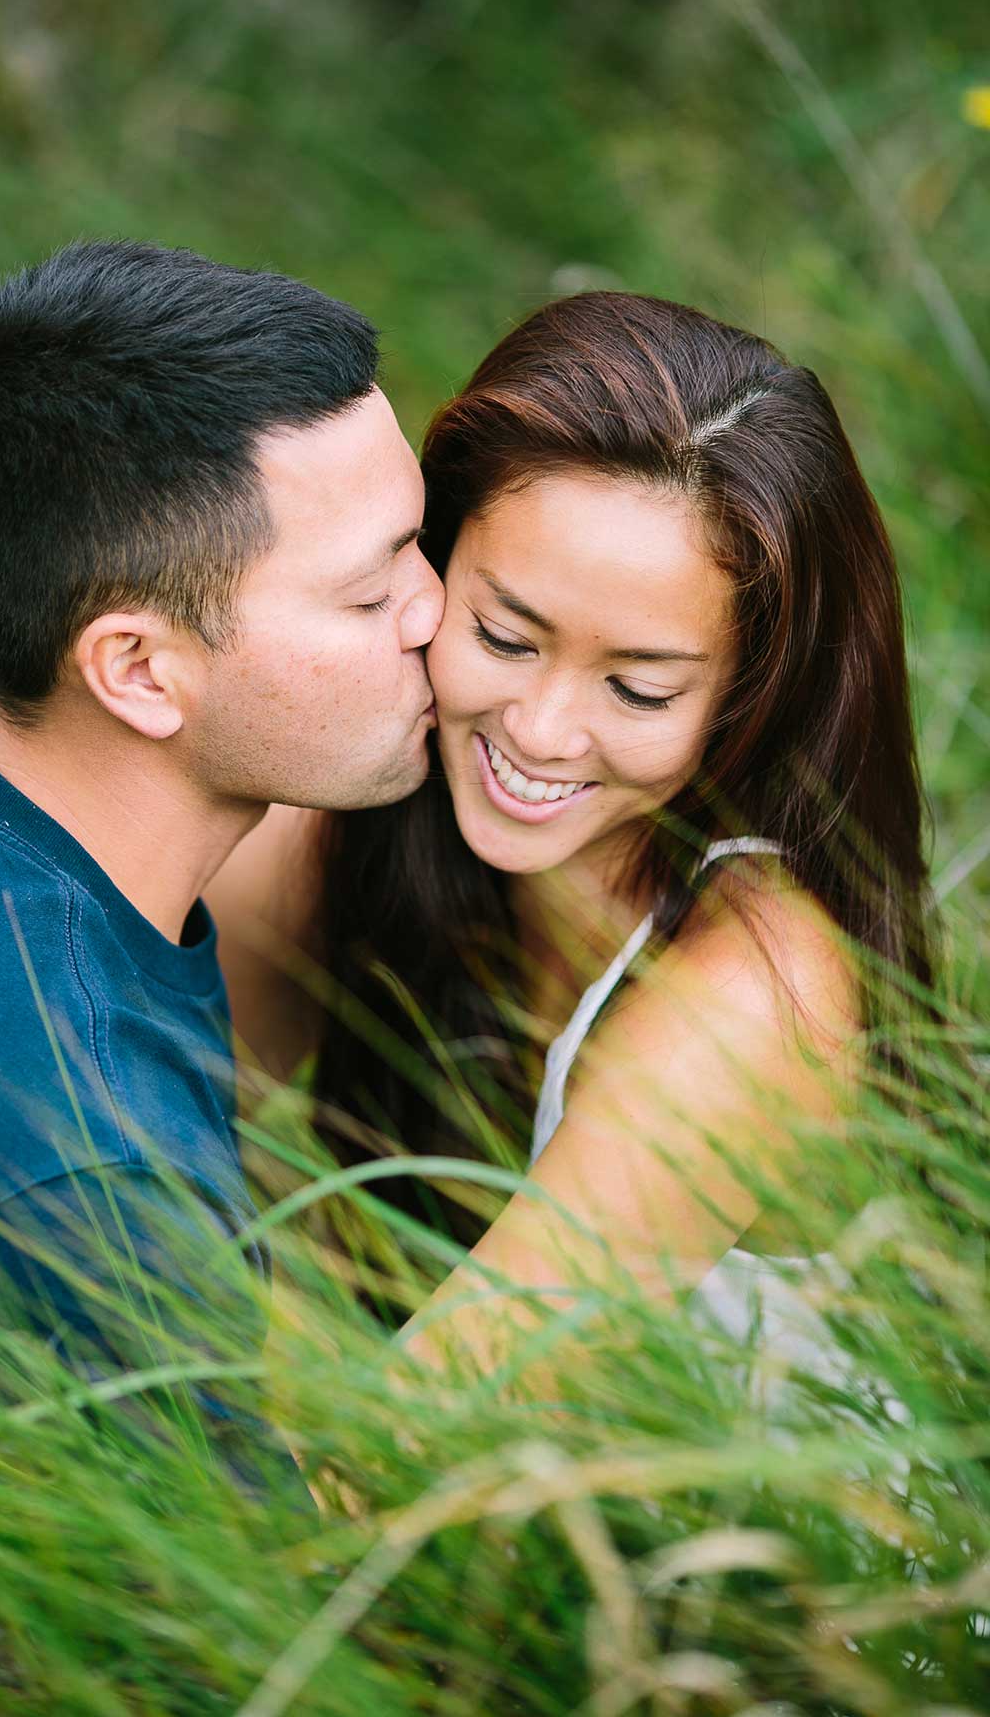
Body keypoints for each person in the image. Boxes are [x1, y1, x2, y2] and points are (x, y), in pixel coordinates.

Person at [0, 239, 442, 1466]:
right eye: (370, 595)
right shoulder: (89, 1198)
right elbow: (230, 1643)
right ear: (139, 670)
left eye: (419, 540)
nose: (436, 610)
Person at [210, 290, 935, 1373]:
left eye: (639, 691)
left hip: (748, 1530)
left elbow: (444, 1426)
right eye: (504, 636)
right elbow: (96, 1160)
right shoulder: (357, 819)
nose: (541, 732)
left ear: (748, 700)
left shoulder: (760, 991)